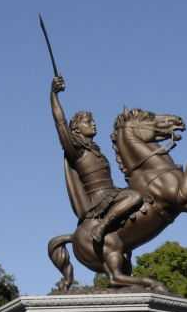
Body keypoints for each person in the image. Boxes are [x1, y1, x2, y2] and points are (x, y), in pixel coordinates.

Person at [50, 75, 143, 242]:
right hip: (99, 199)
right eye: (88, 122)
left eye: (92, 121)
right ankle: (101, 227)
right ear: (76, 129)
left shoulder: (94, 150)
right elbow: (61, 124)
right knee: (134, 197)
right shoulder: (76, 151)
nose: (93, 124)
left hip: (112, 191)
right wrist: (54, 95)